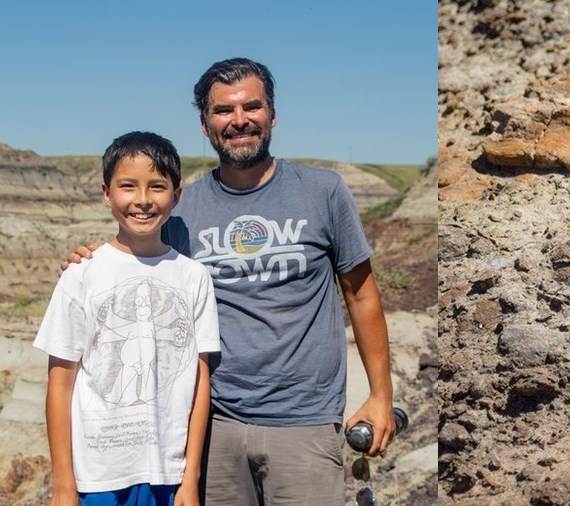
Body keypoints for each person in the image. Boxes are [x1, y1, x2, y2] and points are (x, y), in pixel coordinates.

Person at [64, 58, 395, 505]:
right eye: (223, 111)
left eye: (252, 107)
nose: (239, 120)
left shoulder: (324, 191)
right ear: (205, 125)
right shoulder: (184, 210)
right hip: (215, 425)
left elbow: (361, 294)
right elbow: (139, 256)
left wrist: (380, 394)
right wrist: (88, 260)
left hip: (305, 422)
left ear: (272, 114)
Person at [38, 131, 220, 506]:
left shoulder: (193, 277)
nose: (142, 200)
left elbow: (200, 378)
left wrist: (191, 479)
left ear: (176, 195)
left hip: (168, 476)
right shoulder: (81, 275)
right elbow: (60, 384)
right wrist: (63, 485)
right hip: (98, 476)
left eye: (156, 187)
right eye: (128, 186)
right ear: (107, 194)